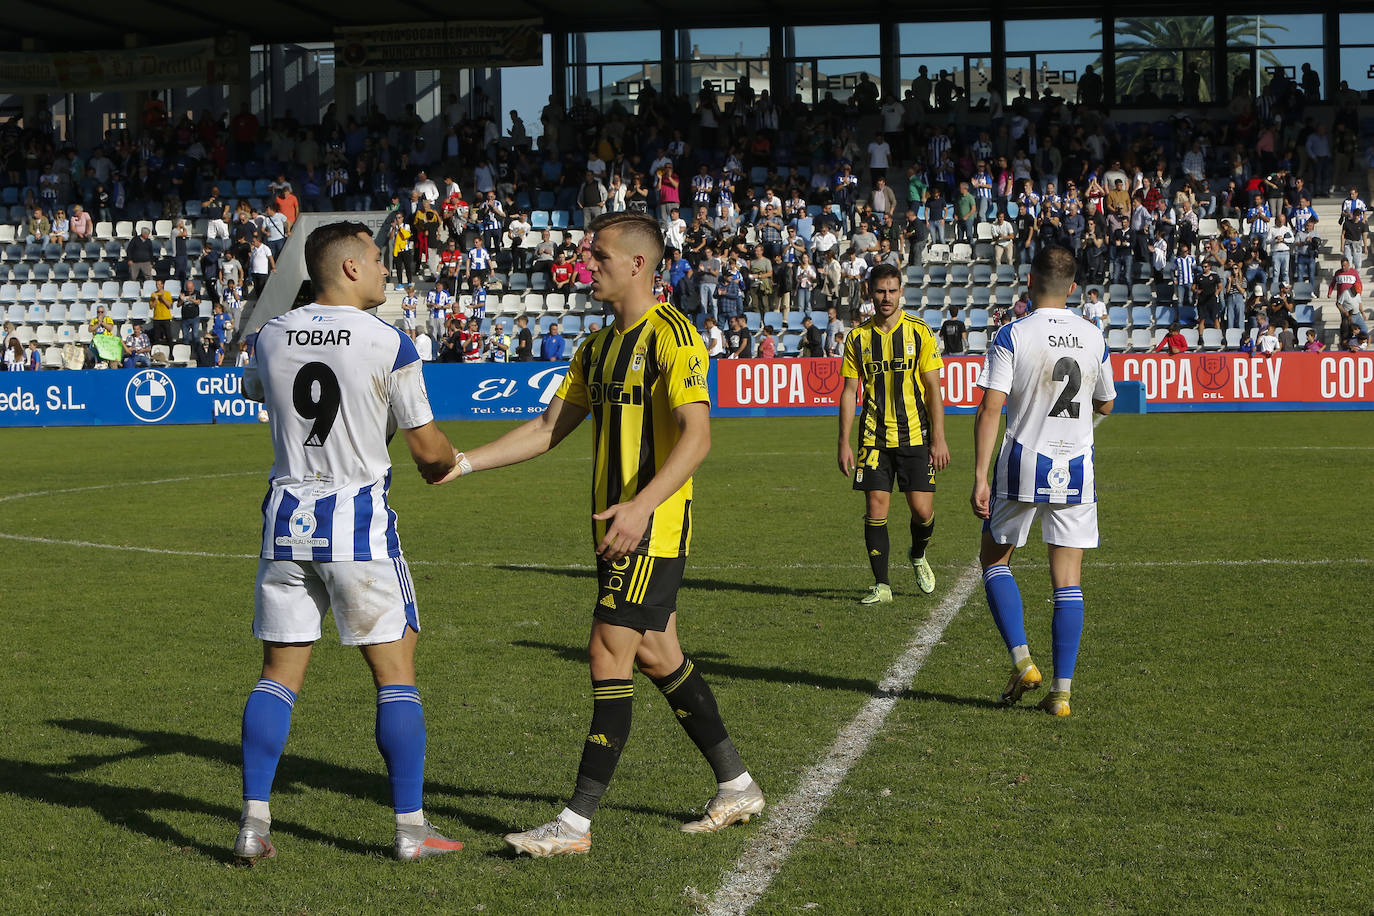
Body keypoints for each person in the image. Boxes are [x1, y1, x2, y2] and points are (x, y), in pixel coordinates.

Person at [443, 211, 762, 858]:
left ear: (639, 265)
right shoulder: (597, 347)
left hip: (651, 527)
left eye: (600, 256)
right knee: (656, 654)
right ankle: (737, 784)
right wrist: (463, 462)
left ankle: (575, 824)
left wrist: (642, 506)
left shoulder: (675, 337)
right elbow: (544, 429)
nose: (586, 265)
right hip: (617, 528)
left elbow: (697, 436)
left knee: (606, 653)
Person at [234, 221, 466, 864]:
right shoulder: (387, 341)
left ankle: (254, 823)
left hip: (286, 522)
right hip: (356, 523)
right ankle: (411, 830)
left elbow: (269, 398)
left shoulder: (269, 335)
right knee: (395, 674)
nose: (387, 270)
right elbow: (428, 450)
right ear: (351, 269)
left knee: (278, 675)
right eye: (378, 260)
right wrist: (454, 462)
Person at [970, 246, 1116, 718]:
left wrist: (978, 475)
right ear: (1073, 288)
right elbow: (1107, 403)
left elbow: (991, 406)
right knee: (1067, 579)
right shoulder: (1093, 336)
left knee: (994, 558)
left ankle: (1021, 660)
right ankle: (1061, 693)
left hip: (1023, 461)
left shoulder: (1012, 334)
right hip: (1076, 464)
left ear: (1029, 281)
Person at [837, 263, 949, 605]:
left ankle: (917, 553)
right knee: (876, 506)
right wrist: (843, 440)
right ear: (870, 293)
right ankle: (882, 585)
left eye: (891, 290)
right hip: (873, 437)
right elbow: (848, 391)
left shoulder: (919, 332)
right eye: (880, 291)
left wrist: (939, 438)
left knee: (921, 510)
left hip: (915, 435)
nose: (886, 297)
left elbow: (933, 389)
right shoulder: (857, 338)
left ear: (901, 292)